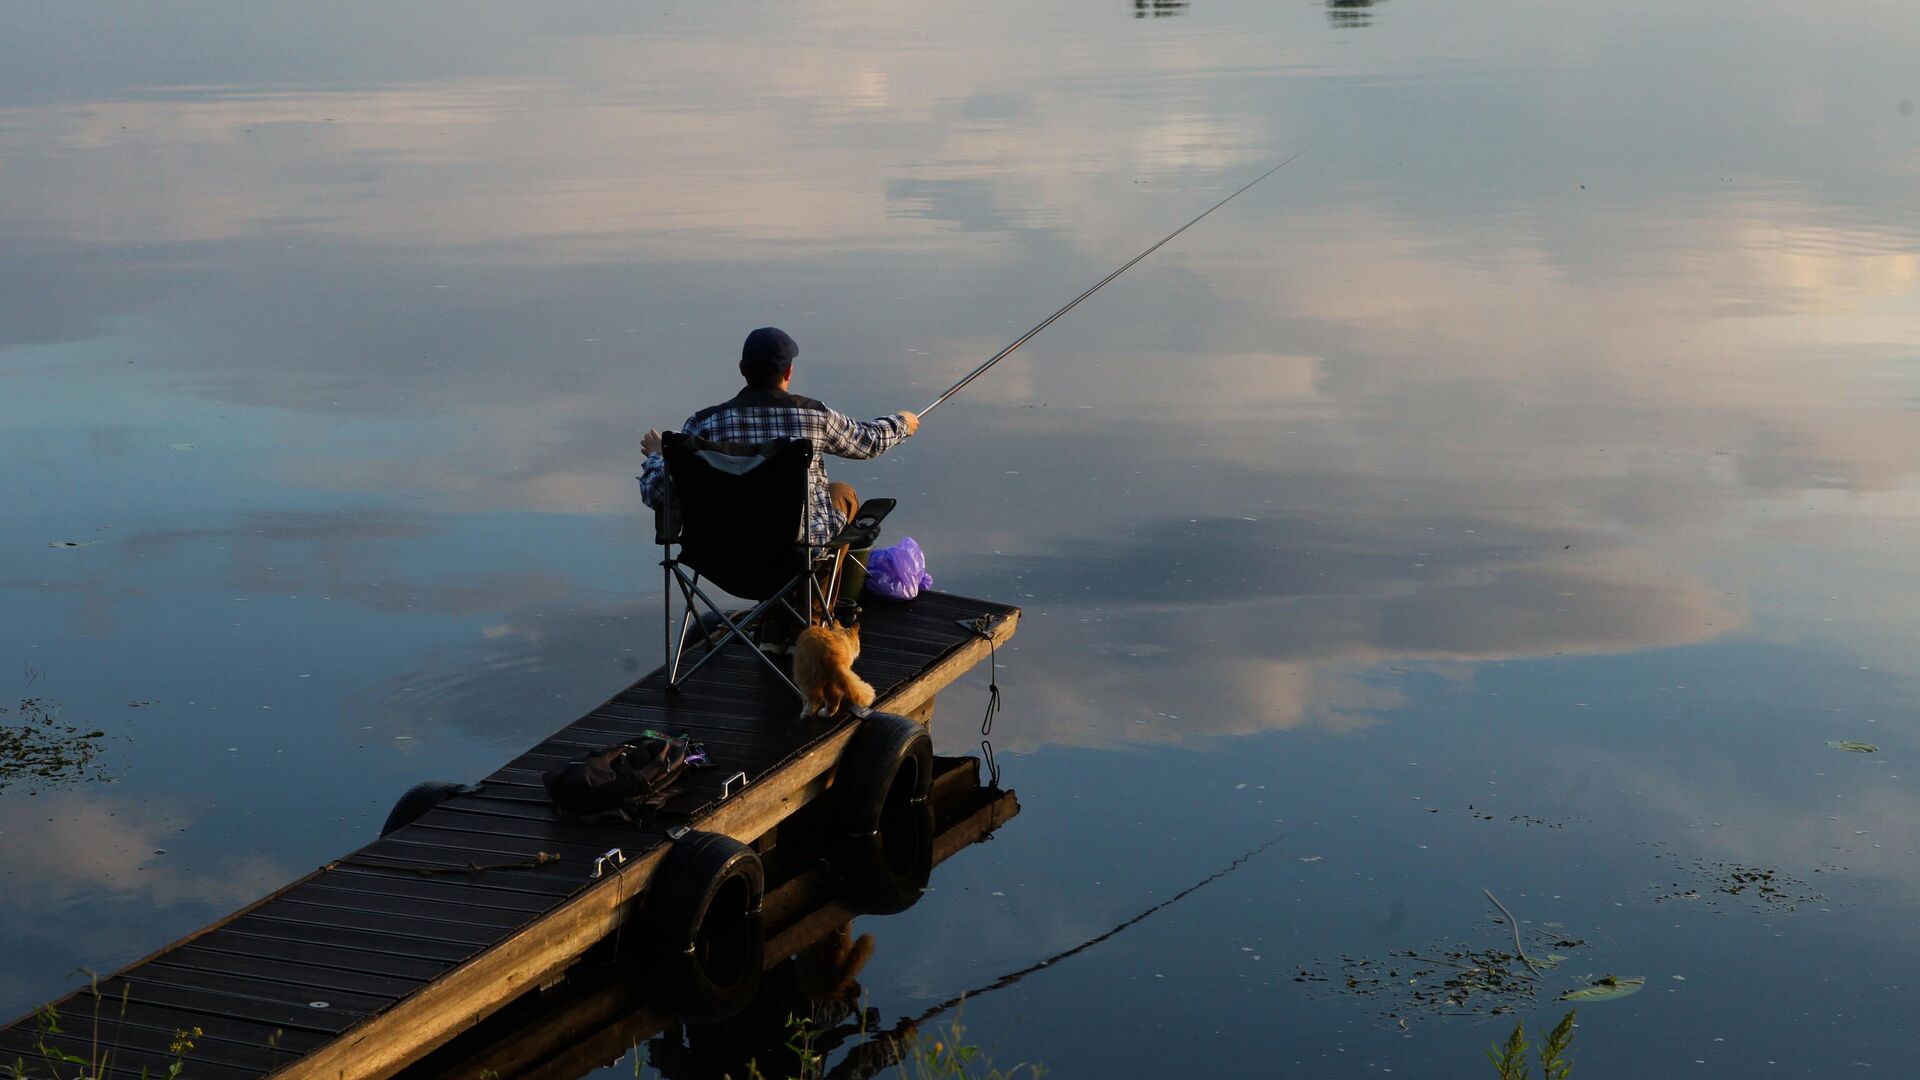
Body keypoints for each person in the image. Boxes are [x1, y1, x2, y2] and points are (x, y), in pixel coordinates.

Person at [638, 326, 920, 623]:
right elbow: (869, 442)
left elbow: (657, 493)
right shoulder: (813, 417)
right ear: (789, 373)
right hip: (790, 559)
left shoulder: (704, 425)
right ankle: (810, 622)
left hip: (719, 559)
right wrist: (903, 422)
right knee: (842, 494)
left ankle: (779, 626)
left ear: (742, 369)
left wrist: (659, 456)